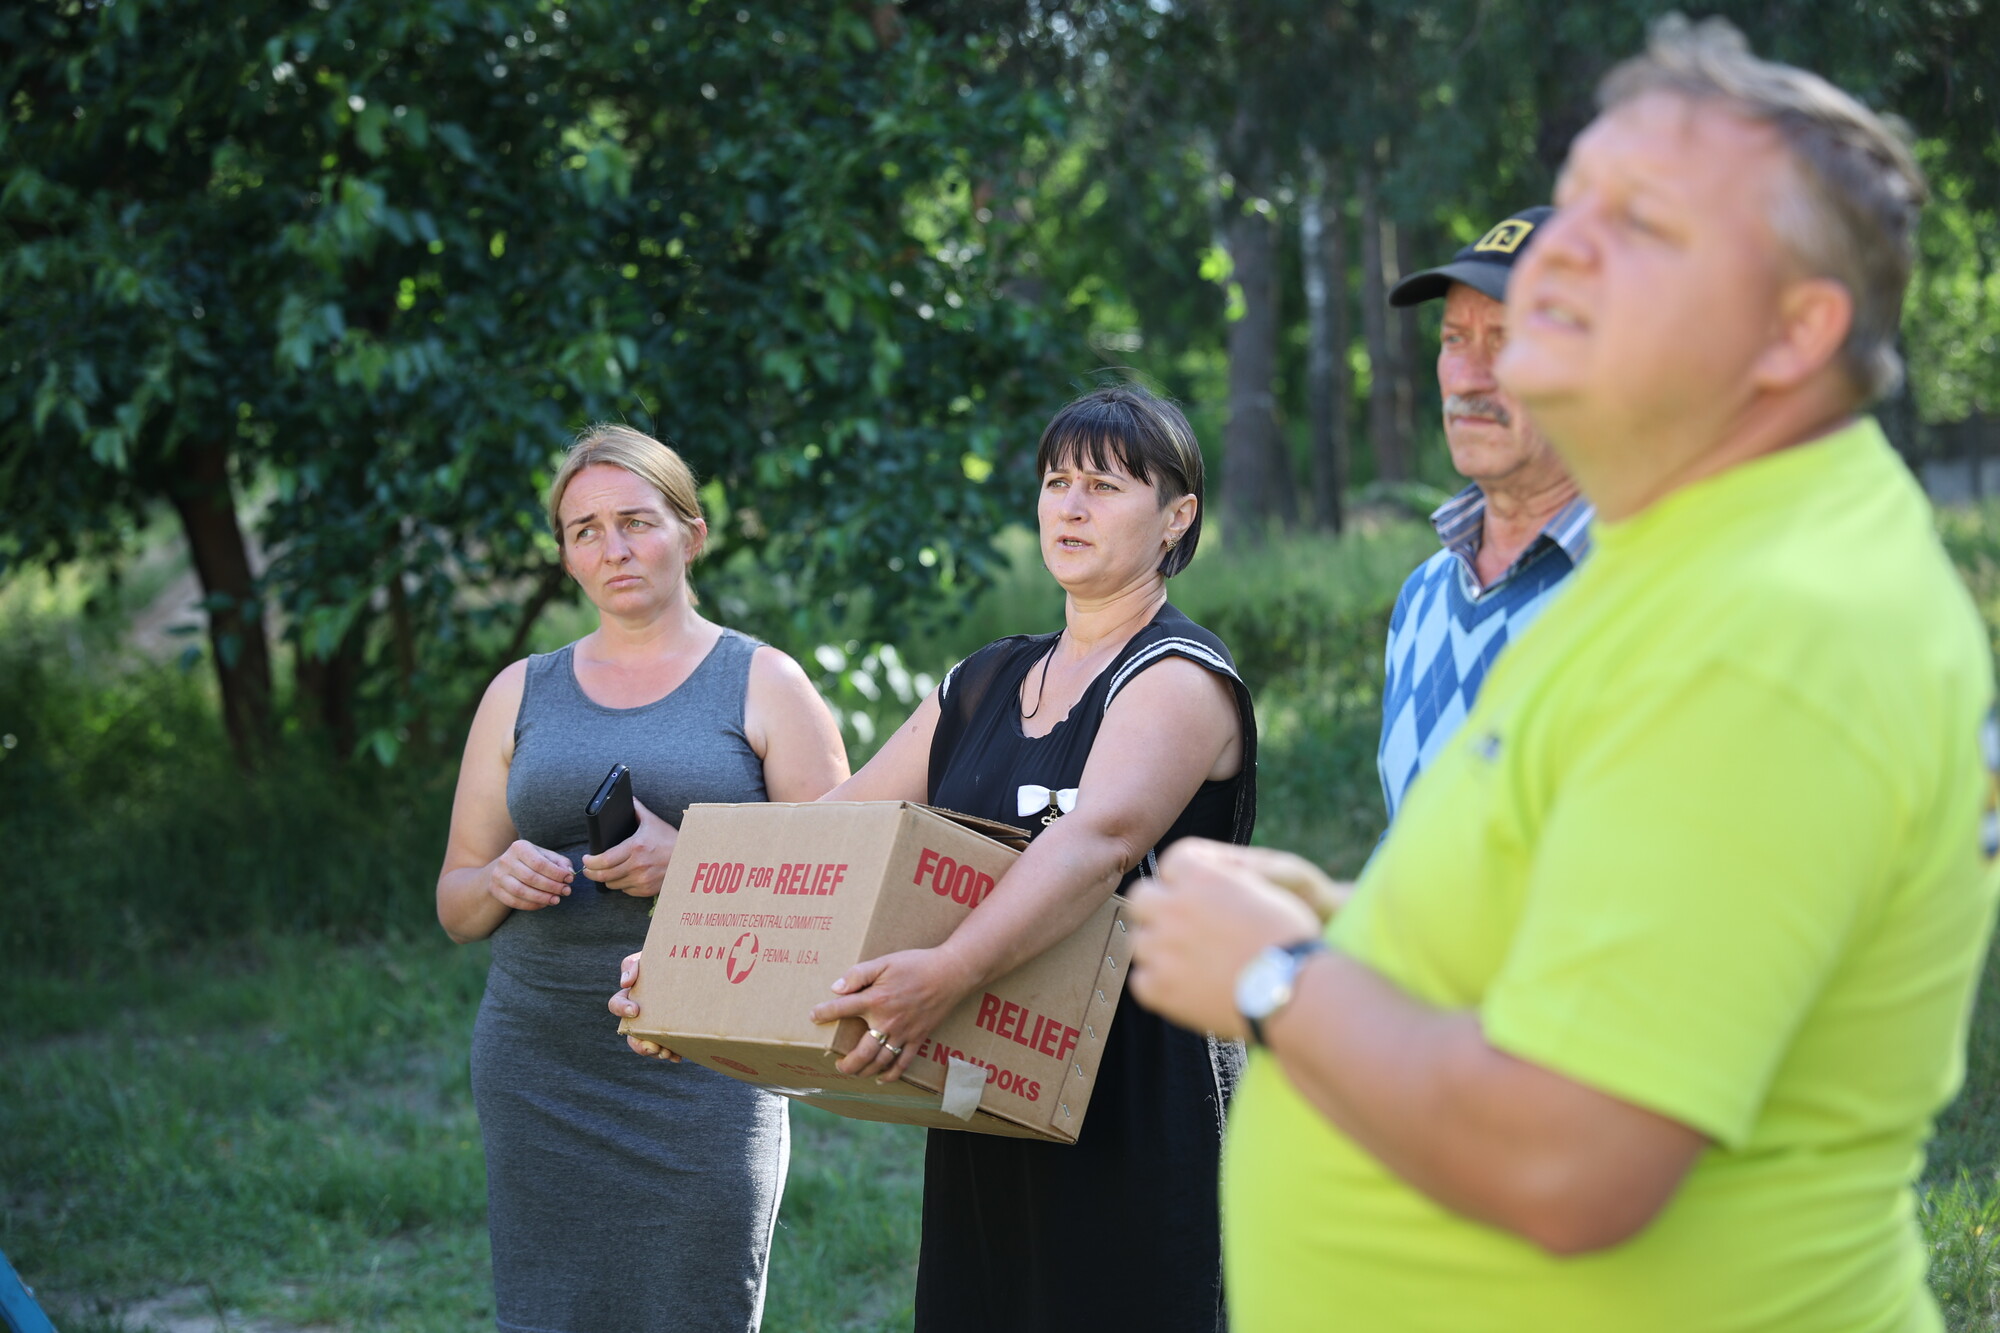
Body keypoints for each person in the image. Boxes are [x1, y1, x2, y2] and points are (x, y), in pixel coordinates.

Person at [1128, 17, 1998, 1333]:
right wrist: (1368, 923)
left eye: (1639, 222)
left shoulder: (1771, 630)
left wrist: (1282, 976)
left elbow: (1575, 1158)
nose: (1557, 259)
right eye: (1577, 194)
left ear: (1791, 332)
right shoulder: (1694, 555)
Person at [613, 384, 1258, 1332]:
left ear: (1177, 517)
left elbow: (1096, 843)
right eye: (1056, 482)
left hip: (1140, 1094)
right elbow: (834, 831)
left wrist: (946, 970)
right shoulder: (984, 680)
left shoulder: (1180, 675)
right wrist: (685, 971)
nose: (1070, 506)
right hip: (991, 1071)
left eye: (1107, 486)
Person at [436, 424, 848, 1333]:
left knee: (695, 1309)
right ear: (566, 557)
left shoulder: (765, 682)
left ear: (690, 533)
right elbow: (456, 904)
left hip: (710, 1062)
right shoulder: (520, 691)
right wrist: (500, 877)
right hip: (537, 1059)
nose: (614, 548)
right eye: (585, 530)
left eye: (637, 521)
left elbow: (852, 892)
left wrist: (694, 861)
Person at [1378, 205, 1592, 819]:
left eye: (1508, 340)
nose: (1469, 378)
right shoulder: (1422, 597)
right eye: (1454, 339)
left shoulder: (1651, 592)